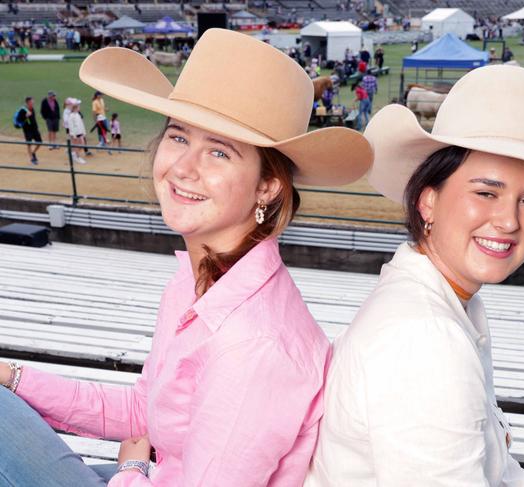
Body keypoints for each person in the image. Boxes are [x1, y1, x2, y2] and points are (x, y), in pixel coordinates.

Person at [0, 28, 372, 487]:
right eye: (179, 137)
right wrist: (13, 376)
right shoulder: (201, 277)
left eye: (219, 151)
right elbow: (144, 412)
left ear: (267, 187)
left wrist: (131, 468)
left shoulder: (252, 345)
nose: (182, 167)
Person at [305, 65, 524, 486]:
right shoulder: (425, 340)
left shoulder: (443, 300)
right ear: (428, 201)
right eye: (486, 193)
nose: (508, 221)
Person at [15, 96, 42, 164]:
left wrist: (37, 127)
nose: (33, 102)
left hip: (35, 129)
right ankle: (32, 159)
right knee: (29, 144)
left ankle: (33, 153)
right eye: (32, 101)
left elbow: (33, 119)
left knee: (39, 143)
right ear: (28, 102)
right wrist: (25, 116)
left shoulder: (32, 108)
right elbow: (18, 120)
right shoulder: (23, 110)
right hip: (27, 130)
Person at [67, 98, 87, 164]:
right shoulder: (71, 115)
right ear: (75, 107)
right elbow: (71, 126)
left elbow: (81, 124)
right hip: (75, 134)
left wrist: (84, 132)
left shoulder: (78, 114)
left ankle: (74, 154)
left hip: (80, 132)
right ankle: (77, 157)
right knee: (76, 145)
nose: (79, 107)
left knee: (82, 144)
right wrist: (73, 134)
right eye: (78, 106)